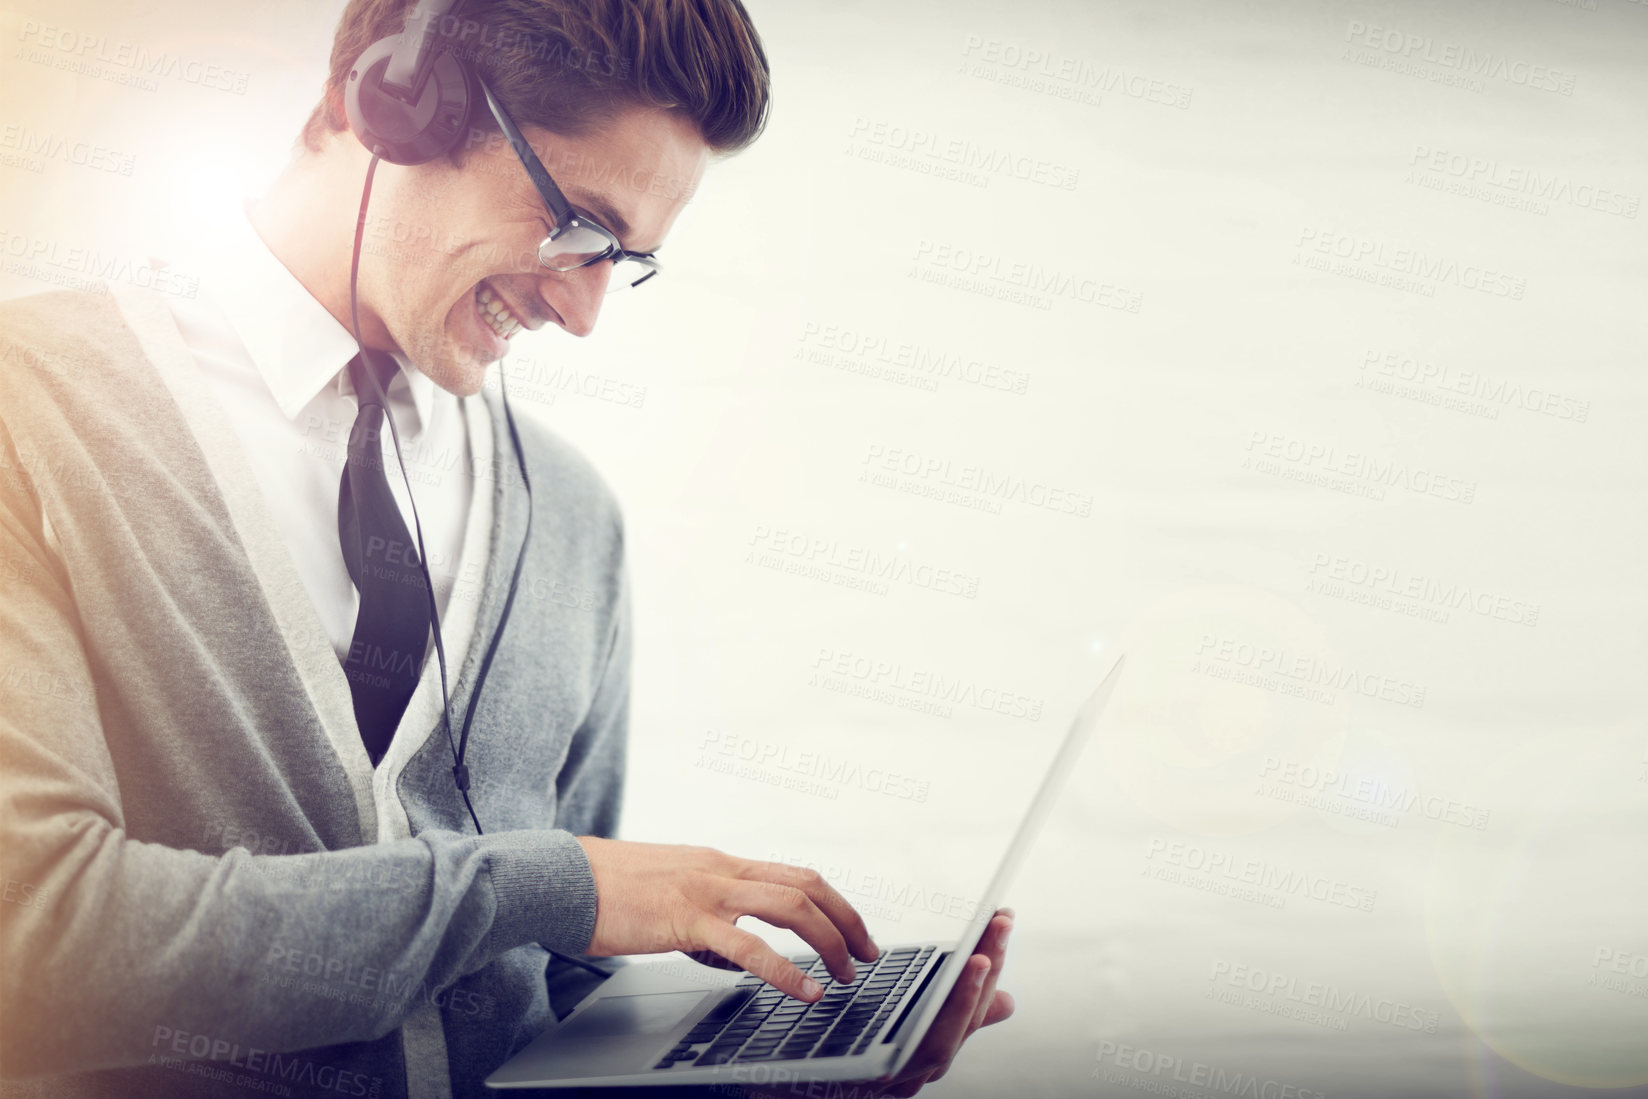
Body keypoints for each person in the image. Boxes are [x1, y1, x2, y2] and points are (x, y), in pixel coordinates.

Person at [0, 1, 1012, 1096]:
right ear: (393, 102)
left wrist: (787, 1073)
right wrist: (551, 884)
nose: (584, 315)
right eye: (579, 223)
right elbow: (35, 937)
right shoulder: (30, 415)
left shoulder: (573, 516)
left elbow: (558, 996)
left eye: (623, 260)